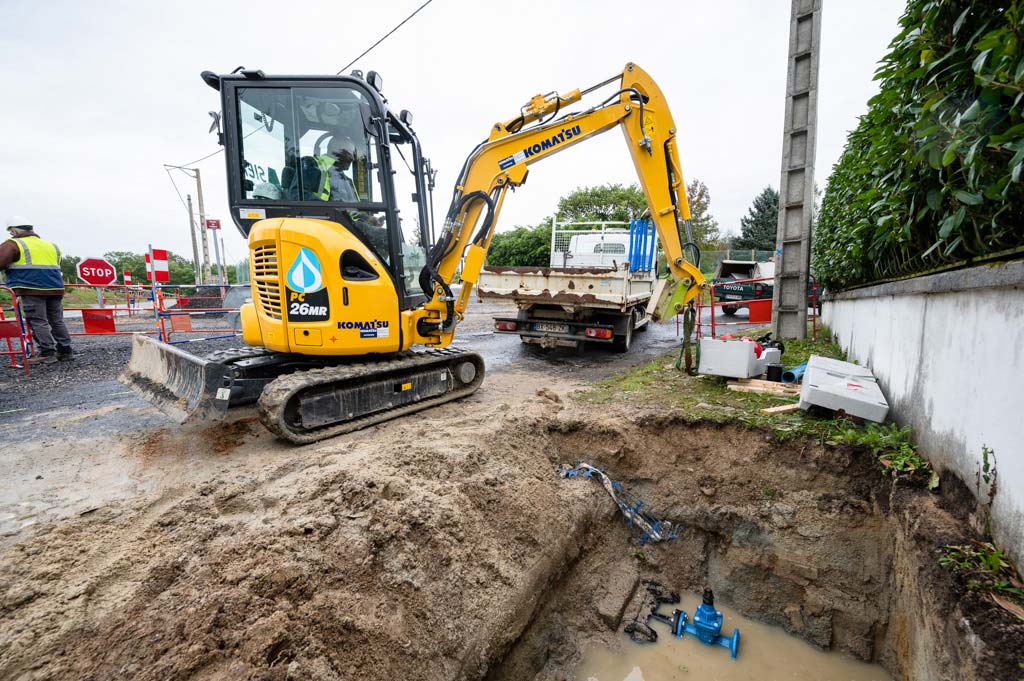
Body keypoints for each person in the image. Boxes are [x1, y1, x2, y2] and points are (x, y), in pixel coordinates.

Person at [0, 217, 73, 364]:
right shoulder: (51, 245)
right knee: (56, 320)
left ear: (14, 230)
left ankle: (47, 352)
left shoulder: (13, 244)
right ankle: (65, 350)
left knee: (38, 320)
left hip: (30, 288)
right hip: (55, 288)